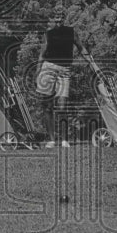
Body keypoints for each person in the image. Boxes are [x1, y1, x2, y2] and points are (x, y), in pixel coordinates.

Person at [36, 10, 88, 147]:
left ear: (64, 18)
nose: (58, 19)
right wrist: (37, 71)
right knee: (47, 106)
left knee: (62, 106)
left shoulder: (71, 32)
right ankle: (52, 139)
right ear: (53, 18)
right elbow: (42, 54)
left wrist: (90, 61)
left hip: (65, 70)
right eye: (56, 16)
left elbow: (81, 48)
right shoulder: (48, 34)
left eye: (61, 16)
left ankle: (64, 139)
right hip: (48, 68)